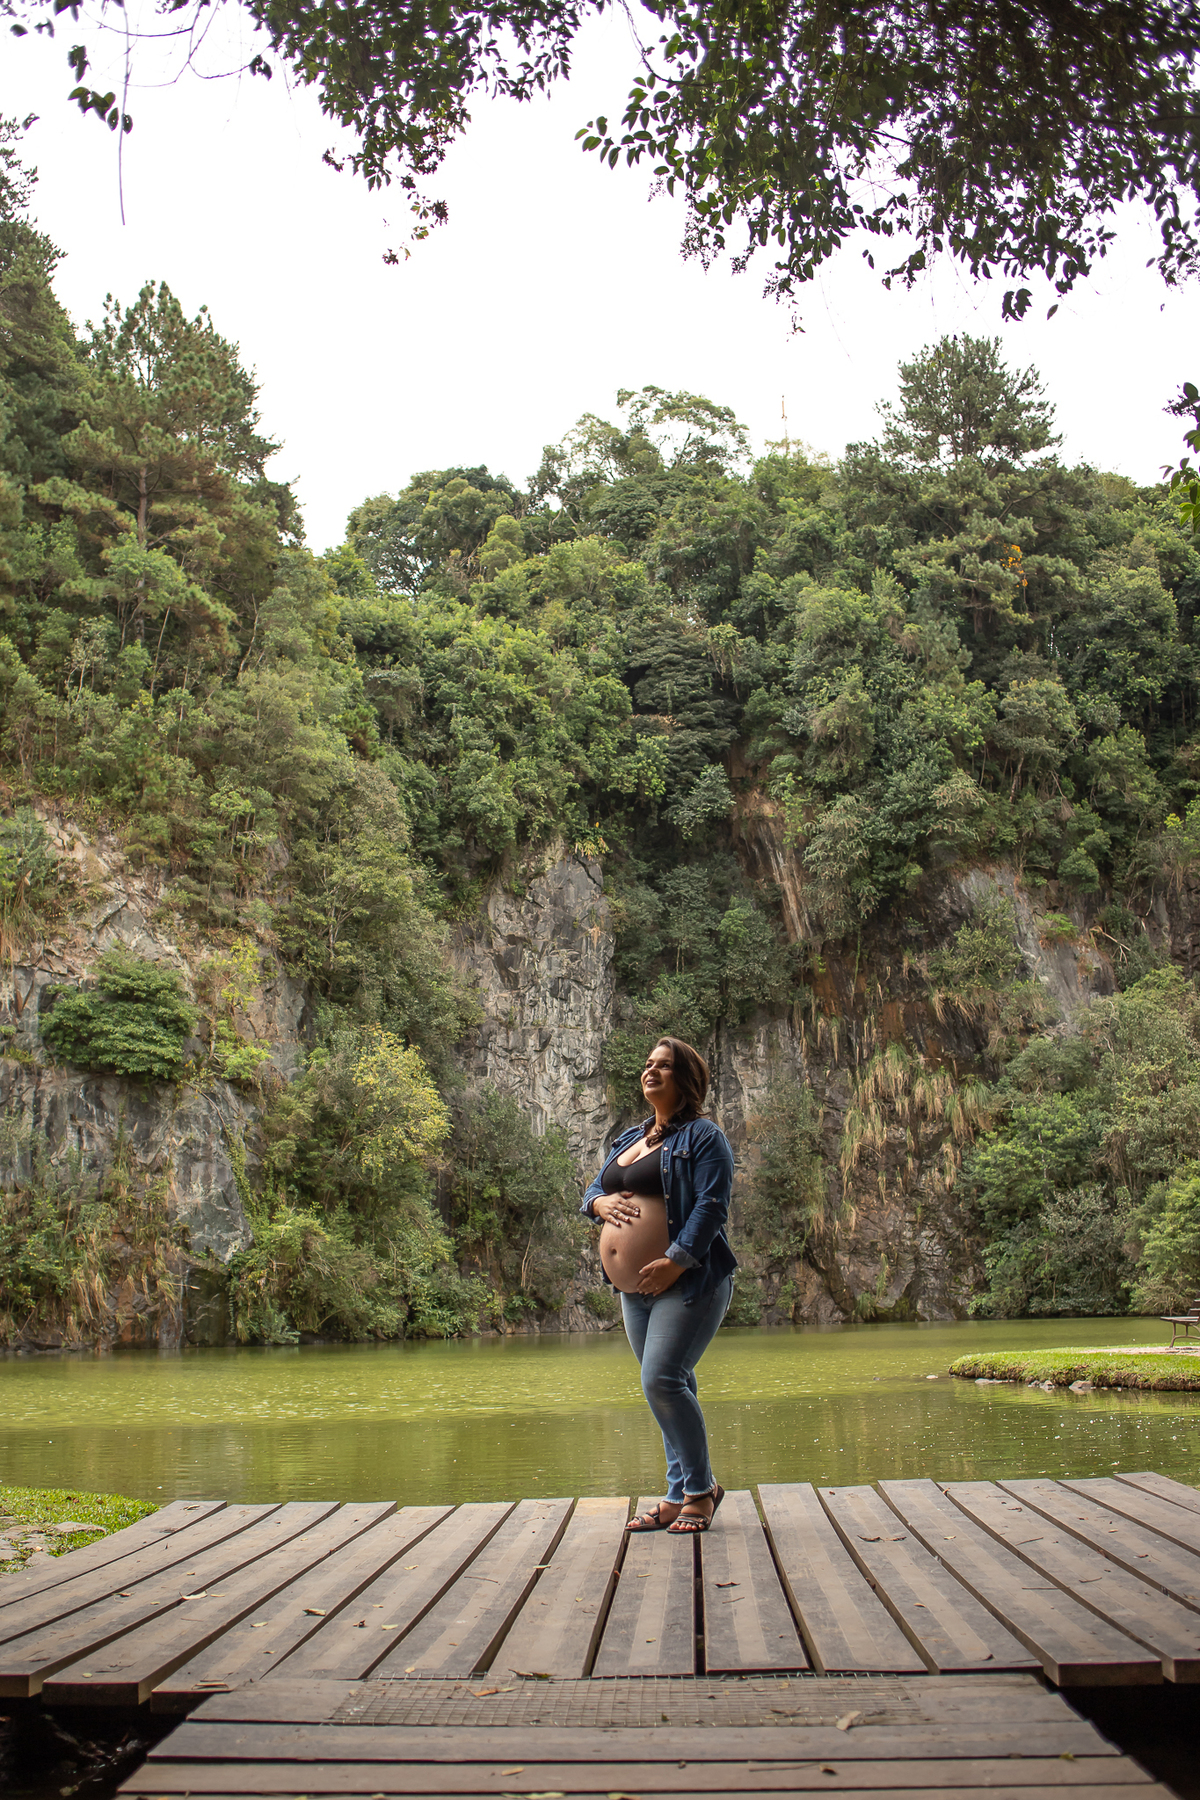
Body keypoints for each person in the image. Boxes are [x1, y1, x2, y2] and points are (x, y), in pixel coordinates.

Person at [581, 1036, 737, 1534]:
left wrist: (675, 1260)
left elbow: (711, 1205)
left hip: (688, 1281)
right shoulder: (630, 1138)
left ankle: (700, 1493)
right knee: (669, 1386)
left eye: (664, 1066)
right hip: (634, 1291)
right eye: (648, 1063)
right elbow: (596, 1187)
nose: (651, 1070)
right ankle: (678, 1494)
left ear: (686, 1079)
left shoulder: (704, 1137)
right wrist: (598, 1204)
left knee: (661, 1379)